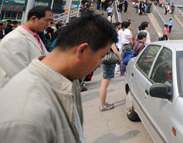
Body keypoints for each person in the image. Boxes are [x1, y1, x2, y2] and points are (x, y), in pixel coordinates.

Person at [0, 13, 117, 142]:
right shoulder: (26, 117)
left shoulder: (68, 82)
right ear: (82, 50)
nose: (100, 63)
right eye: (101, 56)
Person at [0, 6, 53, 88]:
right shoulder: (14, 39)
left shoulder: (35, 36)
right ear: (33, 19)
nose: (49, 24)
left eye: (51, 21)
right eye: (47, 20)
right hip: (17, 91)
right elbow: (18, 73)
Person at [99, 37, 122, 111]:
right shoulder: (109, 40)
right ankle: (103, 105)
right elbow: (116, 51)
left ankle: (103, 103)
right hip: (109, 63)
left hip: (106, 62)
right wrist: (120, 60)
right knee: (104, 85)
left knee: (104, 84)